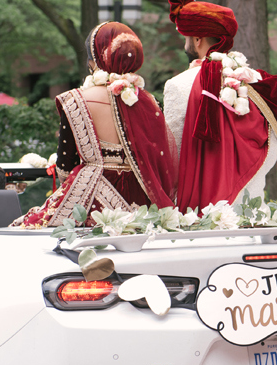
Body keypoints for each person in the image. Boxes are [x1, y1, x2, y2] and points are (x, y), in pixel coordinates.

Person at [15, 22, 178, 229]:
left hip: (92, 199)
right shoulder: (149, 103)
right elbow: (161, 162)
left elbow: (66, 167)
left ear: (95, 60)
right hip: (145, 201)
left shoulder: (75, 99)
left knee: (30, 228)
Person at [163, 0, 277, 212]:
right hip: (255, 211)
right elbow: (271, 148)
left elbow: (173, 156)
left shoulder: (178, 85)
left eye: (187, 38)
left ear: (197, 39)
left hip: (203, 213)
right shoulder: (257, 81)